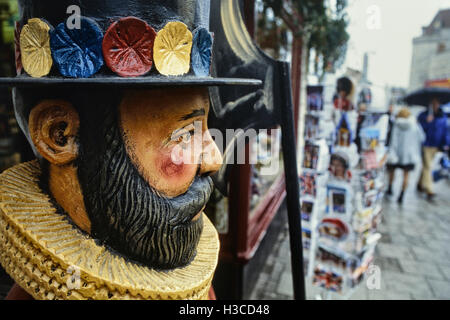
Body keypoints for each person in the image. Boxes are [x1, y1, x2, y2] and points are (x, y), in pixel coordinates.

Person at [386, 108, 425, 203]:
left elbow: (393, 140)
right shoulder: (415, 125)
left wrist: (392, 153)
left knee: (392, 172)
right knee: (406, 176)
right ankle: (401, 195)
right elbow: (422, 138)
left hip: (396, 154)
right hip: (409, 155)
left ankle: (390, 188)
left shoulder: (397, 124)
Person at [417, 97, 450, 201]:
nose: (435, 105)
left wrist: (446, 143)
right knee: (428, 166)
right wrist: (427, 122)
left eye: (437, 103)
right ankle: (429, 189)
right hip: (427, 144)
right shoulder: (424, 115)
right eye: (433, 103)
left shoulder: (442, 116)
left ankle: (420, 184)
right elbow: (420, 129)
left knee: (426, 165)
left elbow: (445, 131)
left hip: (437, 145)